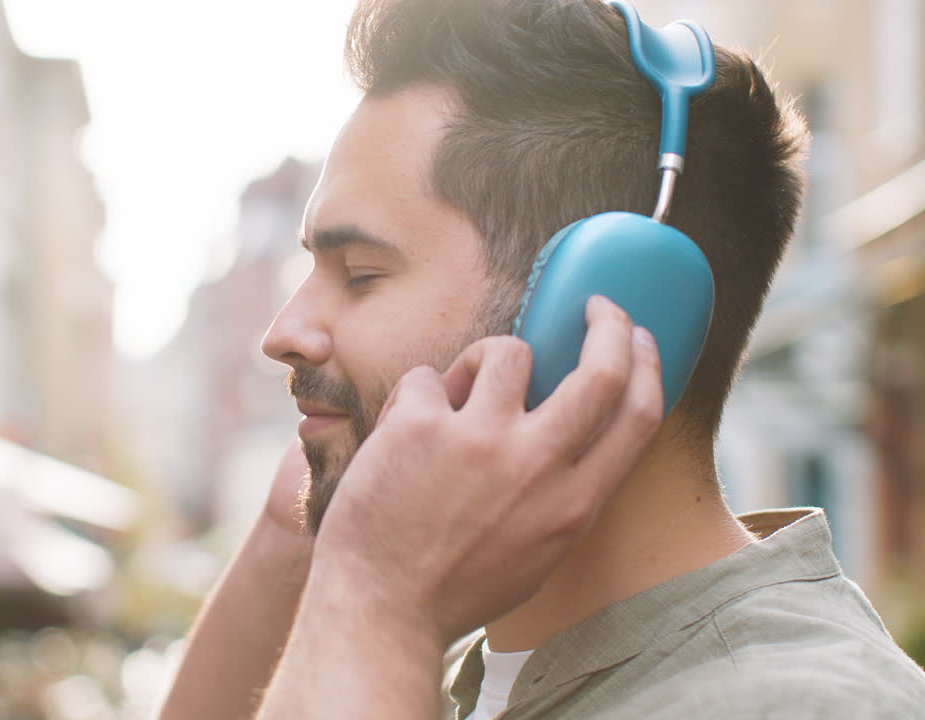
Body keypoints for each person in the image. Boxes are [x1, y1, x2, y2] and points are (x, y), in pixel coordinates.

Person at [155, 1, 925, 718]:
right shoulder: (455, 658)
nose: (282, 332)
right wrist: (309, 543)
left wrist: (376, 592)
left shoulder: (798, 704)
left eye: (361, 274)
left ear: (598, 312)